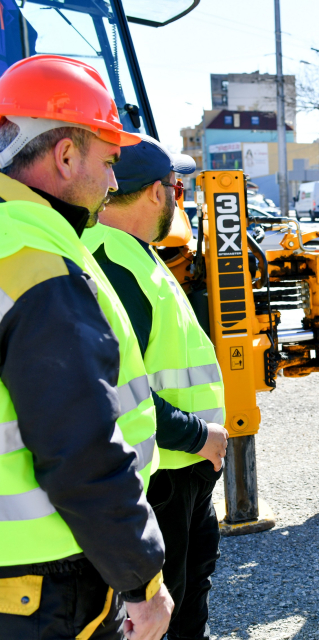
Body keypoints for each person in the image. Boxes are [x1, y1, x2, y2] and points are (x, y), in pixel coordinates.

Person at [0, 55, 173, 639]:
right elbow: (80, 444)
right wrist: (141, 580)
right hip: (42, 583)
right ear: (65, 155)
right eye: (108, 160)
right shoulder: (37, 262)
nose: (113, 183)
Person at [83, 135, 229, 640]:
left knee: (189, 598)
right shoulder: (113, 264)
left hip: (181, 471)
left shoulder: (134, 256)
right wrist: (200, 437)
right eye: (178, 187)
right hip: (162, 473)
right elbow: (117, 388)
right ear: (154, 193)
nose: (179, 198)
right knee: (163, 614)